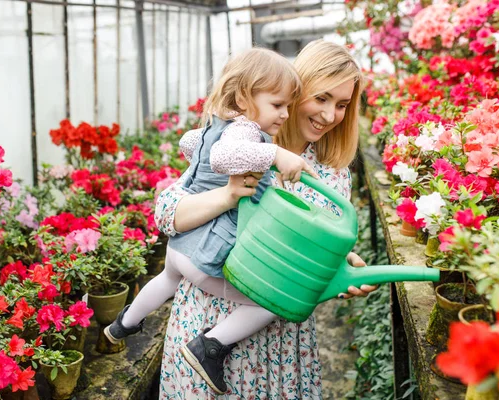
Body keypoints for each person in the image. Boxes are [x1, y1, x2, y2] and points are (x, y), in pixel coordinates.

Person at [156, 40, 378, 399]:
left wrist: (341, 264)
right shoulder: (240, 141)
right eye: (320, 98)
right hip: (207, 319)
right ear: (293, 90)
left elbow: (319, 248)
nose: (329, 115)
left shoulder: (331, 173)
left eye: (341, 105)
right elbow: (168, 214)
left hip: (279, 340)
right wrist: (227, 195)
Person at [104, 47, 318, 392]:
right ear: (246, 96)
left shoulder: (218, 126)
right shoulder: (246, 132)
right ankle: (210, 346)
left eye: (288, 106)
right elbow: (223, 156)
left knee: (165, 279)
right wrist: (276, 152)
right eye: (278, 105)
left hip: (180, 249)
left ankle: (124, 323)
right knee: (272, 301)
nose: (284, 114)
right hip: (205, 251)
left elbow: (192, 143)